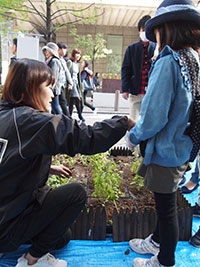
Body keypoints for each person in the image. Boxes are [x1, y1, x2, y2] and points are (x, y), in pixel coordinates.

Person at [0, 58, 135, 266]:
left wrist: (48, 168)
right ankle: (33, 260)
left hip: (6, 212)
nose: (53, 94)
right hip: (6, 224)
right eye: (49, 87)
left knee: (62, 237)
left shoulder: (5, 114)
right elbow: (87, 137)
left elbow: (9, 158)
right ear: (31, 89)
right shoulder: (31, 121)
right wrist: (123, 122)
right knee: (76, 194)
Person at [126, 0, 200, 266]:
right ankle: (156, 242)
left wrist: (132, 136)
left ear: (165, 29)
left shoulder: (169, 62)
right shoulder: (192, 58)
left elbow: (154, 117)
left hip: (166, 149)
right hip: (183, 145)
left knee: (167, 209)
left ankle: (164, 260)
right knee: (164, 201)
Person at [121, 15, 156, 121]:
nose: (145, 33)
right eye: (143, 30)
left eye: (148, 30)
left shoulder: (157, 48)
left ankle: (145, 138)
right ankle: (132, 137)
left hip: (150, 92)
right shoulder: (131, 49)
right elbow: (126, 69)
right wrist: (125, 89)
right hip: (135, 90)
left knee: (148, 120)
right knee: (133, 120)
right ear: (139, 31)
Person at [42, 42, 62, 115]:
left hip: (53, 88)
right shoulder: (49, 61)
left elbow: (54, 76)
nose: (46, 52)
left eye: (48, 50)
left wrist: (50, 87)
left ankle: (64, 122)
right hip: (50, 87)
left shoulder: (54, 61)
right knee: (54, 108)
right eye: (45, 51)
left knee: (55, 107)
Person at [66, 48, 85, 122]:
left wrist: (81, 87)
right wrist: (69, 83)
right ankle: (79, 115)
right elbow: (67, 74)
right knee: (77, 99)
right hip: (71, 83)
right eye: (77, 53)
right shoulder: (69, 62)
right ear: (73, 54)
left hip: (76, 84)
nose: (78, 55)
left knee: (72, 101)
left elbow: (78, 77)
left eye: (79, 54)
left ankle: (69, 117)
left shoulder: (77, 64)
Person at [57, 42, 73, 117]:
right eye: (61, 49)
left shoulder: (63, 60)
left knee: (62, 103)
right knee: (58, 104)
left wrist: (70, 83)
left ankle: (68, 119)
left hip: (61, 85)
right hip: (56, 85)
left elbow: (67, 72)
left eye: (64, 49)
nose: (63, 51)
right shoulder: (55, 60)